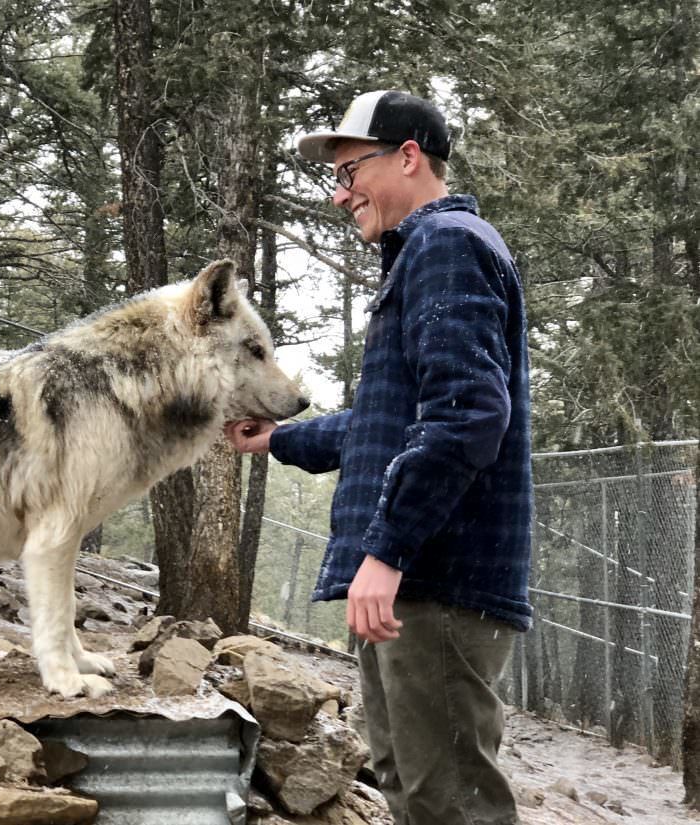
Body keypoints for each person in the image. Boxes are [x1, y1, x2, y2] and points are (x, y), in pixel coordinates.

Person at [225, 90, 531, 825]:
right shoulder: (428, 252)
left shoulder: (447, 243)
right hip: (418, 584)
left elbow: (467, 414)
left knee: (449, 799)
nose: (339, 192)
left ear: (409, 156)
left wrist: (388, 550)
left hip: (438, 578)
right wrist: (278, 438)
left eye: (350, 168)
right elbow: (398, 420)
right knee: (412, 787)